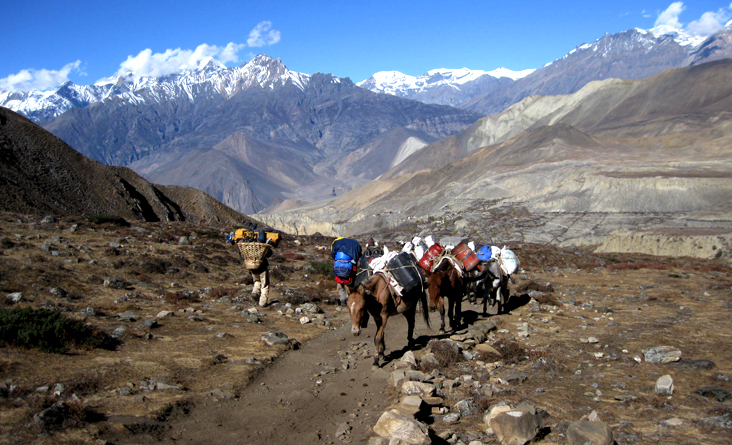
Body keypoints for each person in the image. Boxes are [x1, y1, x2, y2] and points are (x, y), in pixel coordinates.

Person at [331, 237, 363, 305]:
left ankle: (342, 298)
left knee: (339, 283)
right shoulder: (355, 244)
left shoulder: (338, 243)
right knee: (349, 284)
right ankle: (348, 299)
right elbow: (358, 256)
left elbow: (333, 254)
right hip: (350, 269)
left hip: (338, 267)